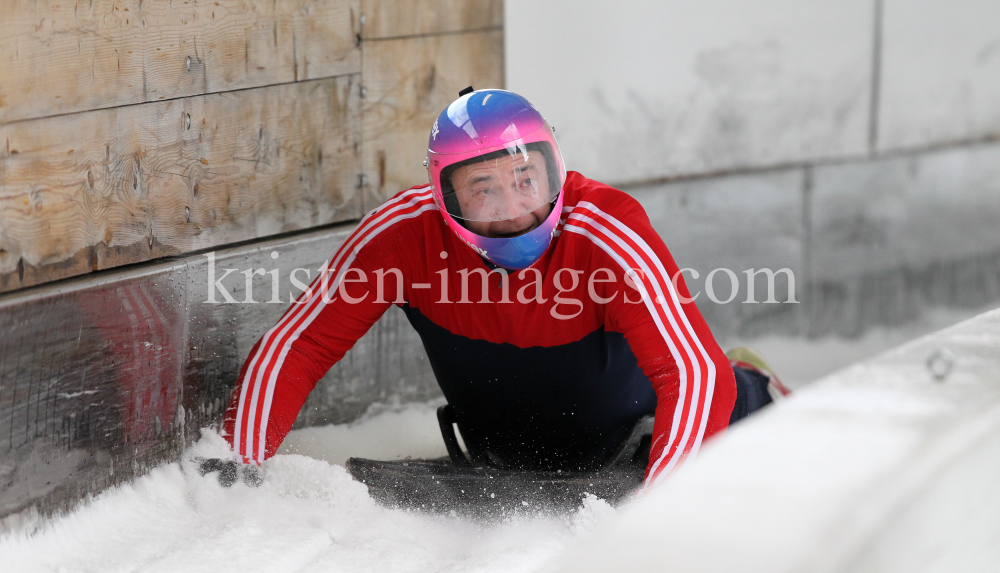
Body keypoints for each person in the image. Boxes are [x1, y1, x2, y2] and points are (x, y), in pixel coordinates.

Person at [203, 88, 790, 489]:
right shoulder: (404, 234)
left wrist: (657, 512)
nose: (514, 211)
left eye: (526, 179)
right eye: (482, 188)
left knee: (734, 387)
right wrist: (236, 468)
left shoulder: (606, 230)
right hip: (508, 451)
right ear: (445, 195)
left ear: (553, 169)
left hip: (651, 435)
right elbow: (298, 346)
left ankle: (758, 379)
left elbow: (693, 374)